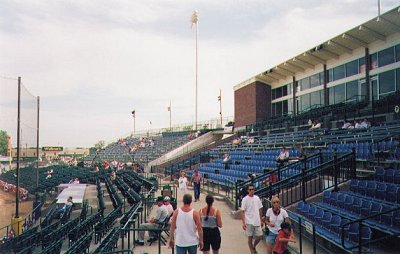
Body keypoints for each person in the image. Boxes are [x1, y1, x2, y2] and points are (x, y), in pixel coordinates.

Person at [241, 184, 263, 254]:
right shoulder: (245, 199)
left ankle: (254, 246)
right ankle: (252, 251)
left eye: (252, 189)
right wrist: (243, 223)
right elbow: (242, 211)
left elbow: (260, 209)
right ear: (248, 190)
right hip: (249, 221)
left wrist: (261, 219)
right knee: (250, 237)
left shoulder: (257, 198)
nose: (251, 191)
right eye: (250, 189)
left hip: (257, 220)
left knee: (259, 236)